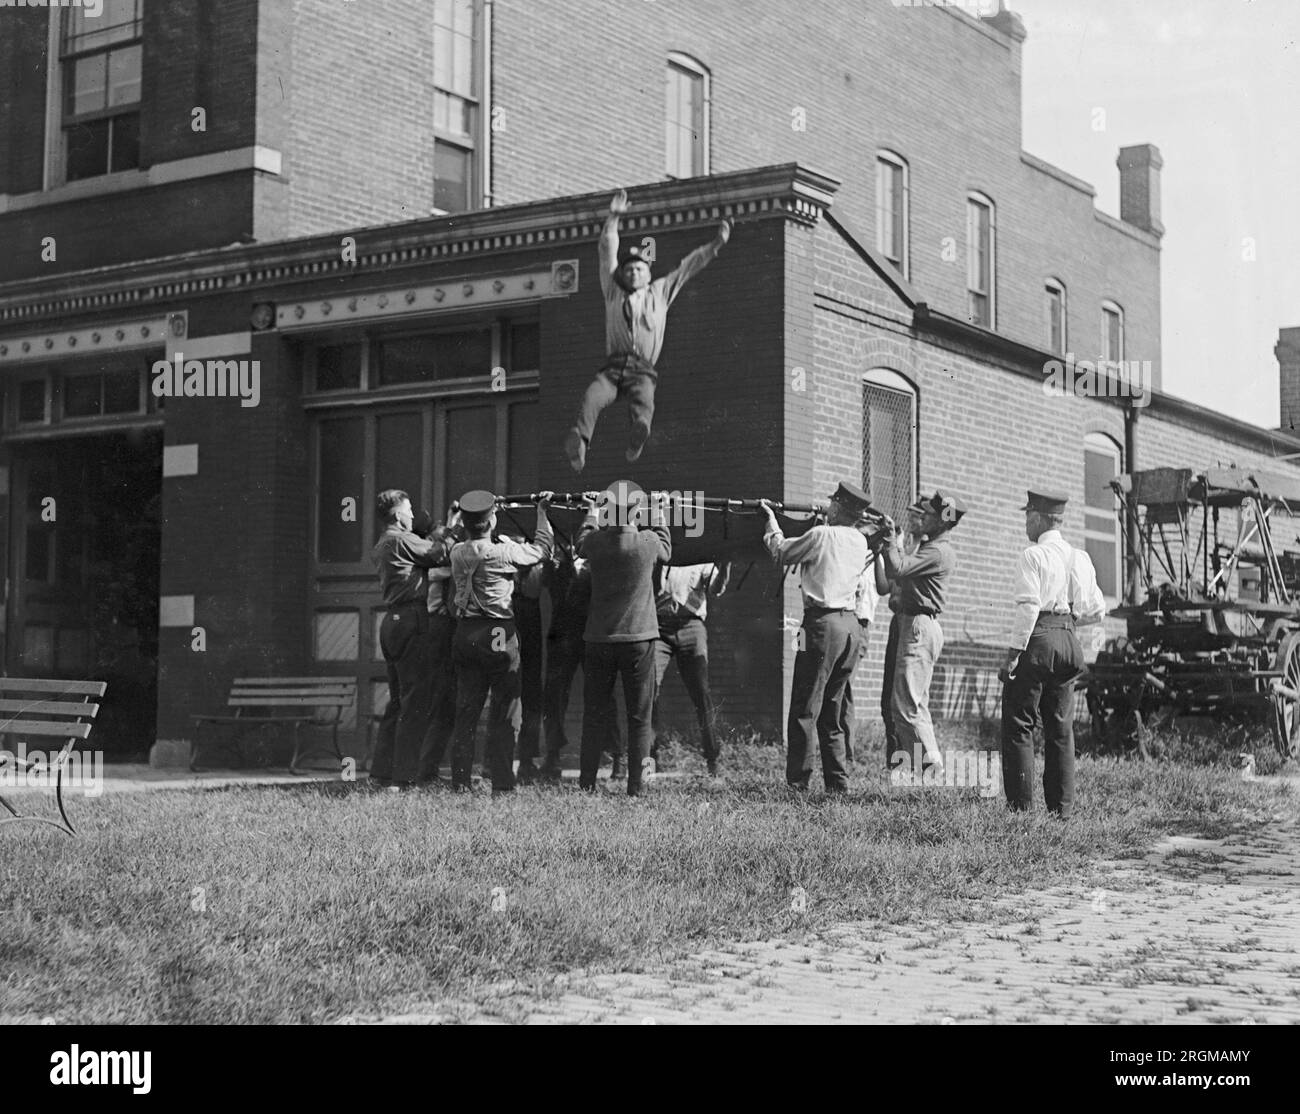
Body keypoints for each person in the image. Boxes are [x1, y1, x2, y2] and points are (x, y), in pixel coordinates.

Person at [563, 189, 731, 472]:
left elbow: (689, 266)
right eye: (628, 270)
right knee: (592, 397)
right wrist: (613, 217)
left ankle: (636, 439)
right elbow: (606, 250)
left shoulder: (660, 292)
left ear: (648, 273)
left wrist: (716, 243)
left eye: (639, 269)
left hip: (642, 368)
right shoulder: (612, 291)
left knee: (644, 402)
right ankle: (579, 444)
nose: (633, 273)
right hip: (613, 367)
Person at [760, 482, 876, 793]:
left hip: (818, 624)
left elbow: (782, 553)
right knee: (833, 709)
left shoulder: (821, 535)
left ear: (838, 508)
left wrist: (771, 521)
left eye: (832, 505)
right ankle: (838, 784)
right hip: (850, 626)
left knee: (804, 704)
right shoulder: (860, 540)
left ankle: (798, 784)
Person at [999, 490, 1106, 819]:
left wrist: (1014, 653)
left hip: (1039, 640)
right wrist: (1069, 621)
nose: (1025, 523)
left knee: (1019, 725)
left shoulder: (1033, 555)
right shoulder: (1079, 557)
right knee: (1061, 729)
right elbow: (1098, 610)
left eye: (1026, 516)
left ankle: (1021, 812)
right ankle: (1061, 812)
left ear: (1038, 517)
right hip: (1068, 641)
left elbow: (1030, 607)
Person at [447, 490, 555, 794]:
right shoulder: (501, 554)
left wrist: (456, 515)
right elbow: (542, 550)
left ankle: (461, 782)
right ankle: (503, 782)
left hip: (466, 633)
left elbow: (458, 533)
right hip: (497, 633)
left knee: (467, 709)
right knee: (507, 709)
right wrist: (542, 512)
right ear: (492, 520)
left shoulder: (456, 552)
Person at [576, 480, 672, 796]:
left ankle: (587, 783)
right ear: (635, 511)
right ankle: (636, 788)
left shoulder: (595, 542)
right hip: (638, 638)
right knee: (639, 716)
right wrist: (657, 510)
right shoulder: (646, 542)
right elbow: (666, 548)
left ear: (607, 511)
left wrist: (591, 511)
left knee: (594, 714)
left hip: (599, 640)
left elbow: (580, 541)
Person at [880, 490, 966, 776]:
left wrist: (890, 540)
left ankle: (932, 772)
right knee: (914, 704)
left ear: (942, 522)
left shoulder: (938, 551)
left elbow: (897, 567)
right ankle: (925, 771)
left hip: (918, 625)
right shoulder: (936, 548)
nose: (923, 517)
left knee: (905, 706)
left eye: (929, 514)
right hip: (918, 624)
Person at [370, 490, 453, 788]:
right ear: (396, 515)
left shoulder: (384, 542)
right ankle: (404, 778)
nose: (412, 515)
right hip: (411, 619)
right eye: (409, 510)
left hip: (391, 622)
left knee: (397, 701)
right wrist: (452, 526)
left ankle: (382, 772)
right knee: (415, 702)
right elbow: (438, 554)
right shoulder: (400, 539)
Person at [650, 561, 731, 776]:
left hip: (690, 625)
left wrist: (725, 565)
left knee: (701, 693)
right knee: (649, 692)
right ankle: (649, 762)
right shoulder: (664, 550)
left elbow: (715, 589)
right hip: (660, 625)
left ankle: (713, 761)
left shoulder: (703, 557)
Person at [417, 516, 461, 786]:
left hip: (439, 631)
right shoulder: (434, 569)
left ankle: (428, 768)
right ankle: (426, 770)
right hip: (440, 630)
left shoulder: (436, 567)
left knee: (444, 703)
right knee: (442, 703)